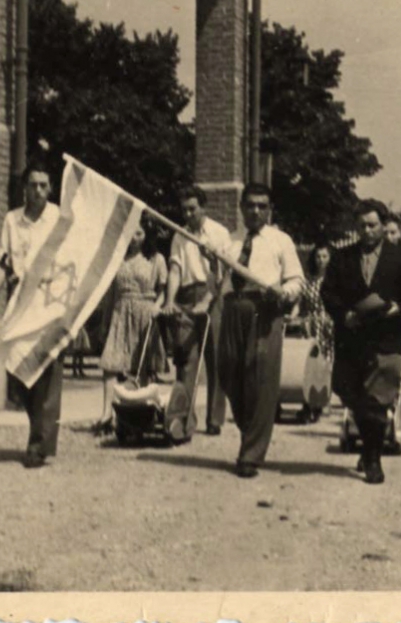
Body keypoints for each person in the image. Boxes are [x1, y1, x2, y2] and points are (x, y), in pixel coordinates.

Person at [321, 199, 401, 485]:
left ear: (383, 225)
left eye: (373, 225)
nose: (367, 231)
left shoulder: (400, 257)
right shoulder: (342, 257)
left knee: (377, 402)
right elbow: (328, 294)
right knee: (350, 394)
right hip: (351, 338)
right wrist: (345, 314)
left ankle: (373, 459)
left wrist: (397, 310)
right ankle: (368, 448)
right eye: (362, 225)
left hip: (386, 338)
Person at [0, 166, 62, 469]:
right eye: (33, 185)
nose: (38, 191)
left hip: (50, 303)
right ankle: (40, 432)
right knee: (18, 374)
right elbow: (3, 263)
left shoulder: (59, 219)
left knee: (47, 376)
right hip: (20, 302)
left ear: (50, 189)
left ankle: (38, 445)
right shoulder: (12, 220)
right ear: (24, 188)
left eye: (43, 185)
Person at [217, 183, 304, 479]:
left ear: (269, 209)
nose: (255, 211)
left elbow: (296, 281)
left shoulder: (281, 241)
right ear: (241, 208)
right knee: (228, 373)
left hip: (264, 311)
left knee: (261, 379)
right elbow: (219, 279)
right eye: (250, 205)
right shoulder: (229, 241)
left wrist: (284, 292)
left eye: (262, 206)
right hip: (233, 309)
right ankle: (250, 430)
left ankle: (250, 454)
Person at [161, 185, 232, 436]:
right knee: (186, 360)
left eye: (192, 209)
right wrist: (170, 300)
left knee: (215, 358)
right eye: (184, 210)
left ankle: (214, 419)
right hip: (188, 295)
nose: (188, 214)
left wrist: (209, 299)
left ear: (204, 208)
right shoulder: (179, 236)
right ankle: (183, 419)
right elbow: (175, 270)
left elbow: (223, 273)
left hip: (214, 294)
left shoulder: (219, 233)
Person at [96, 221, 167, 430]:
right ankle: (106, 414)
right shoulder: (117, 258)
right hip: (120, 313)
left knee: (142, 367)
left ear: (147, 234)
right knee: (110, 364)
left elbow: (163, 290)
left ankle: (141, 416)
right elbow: (111, 294)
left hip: (145, 312)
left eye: (139, 232)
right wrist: (104, 322)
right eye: (130, 233)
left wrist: (157, 306)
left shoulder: (156, 259)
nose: (134, 237)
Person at [298, 243, 335, 363]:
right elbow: (299, 303)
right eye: (318, 256)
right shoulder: (308, 281)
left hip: (329, 324)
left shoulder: (336, 280)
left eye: (325, 256)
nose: (321, 260)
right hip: (311, 325)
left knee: (329, 358)